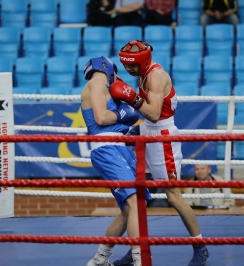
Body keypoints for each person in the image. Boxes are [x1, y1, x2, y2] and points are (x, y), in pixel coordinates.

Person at [109, 40, 210, 266]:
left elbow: (154, 113)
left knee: (173, 196)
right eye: (127, 65)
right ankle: (137, 247)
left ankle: (200, 247)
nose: (130, 69)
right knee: (135, 196)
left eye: (133, 65)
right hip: (147, 132)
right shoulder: (142, 74)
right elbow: (146, 114)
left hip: (162, 136)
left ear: (143, 60)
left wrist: (131, 96)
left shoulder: (156, 76)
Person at [82, 56, 152, 266]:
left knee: (133, 206)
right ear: (107, 67)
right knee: (134, 202)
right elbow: (102, 118)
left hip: (118, 147)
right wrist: (124, 112)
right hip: (107, 149)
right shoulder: (96, 82)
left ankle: (100, 259)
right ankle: (140, 259)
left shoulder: (103, 85)